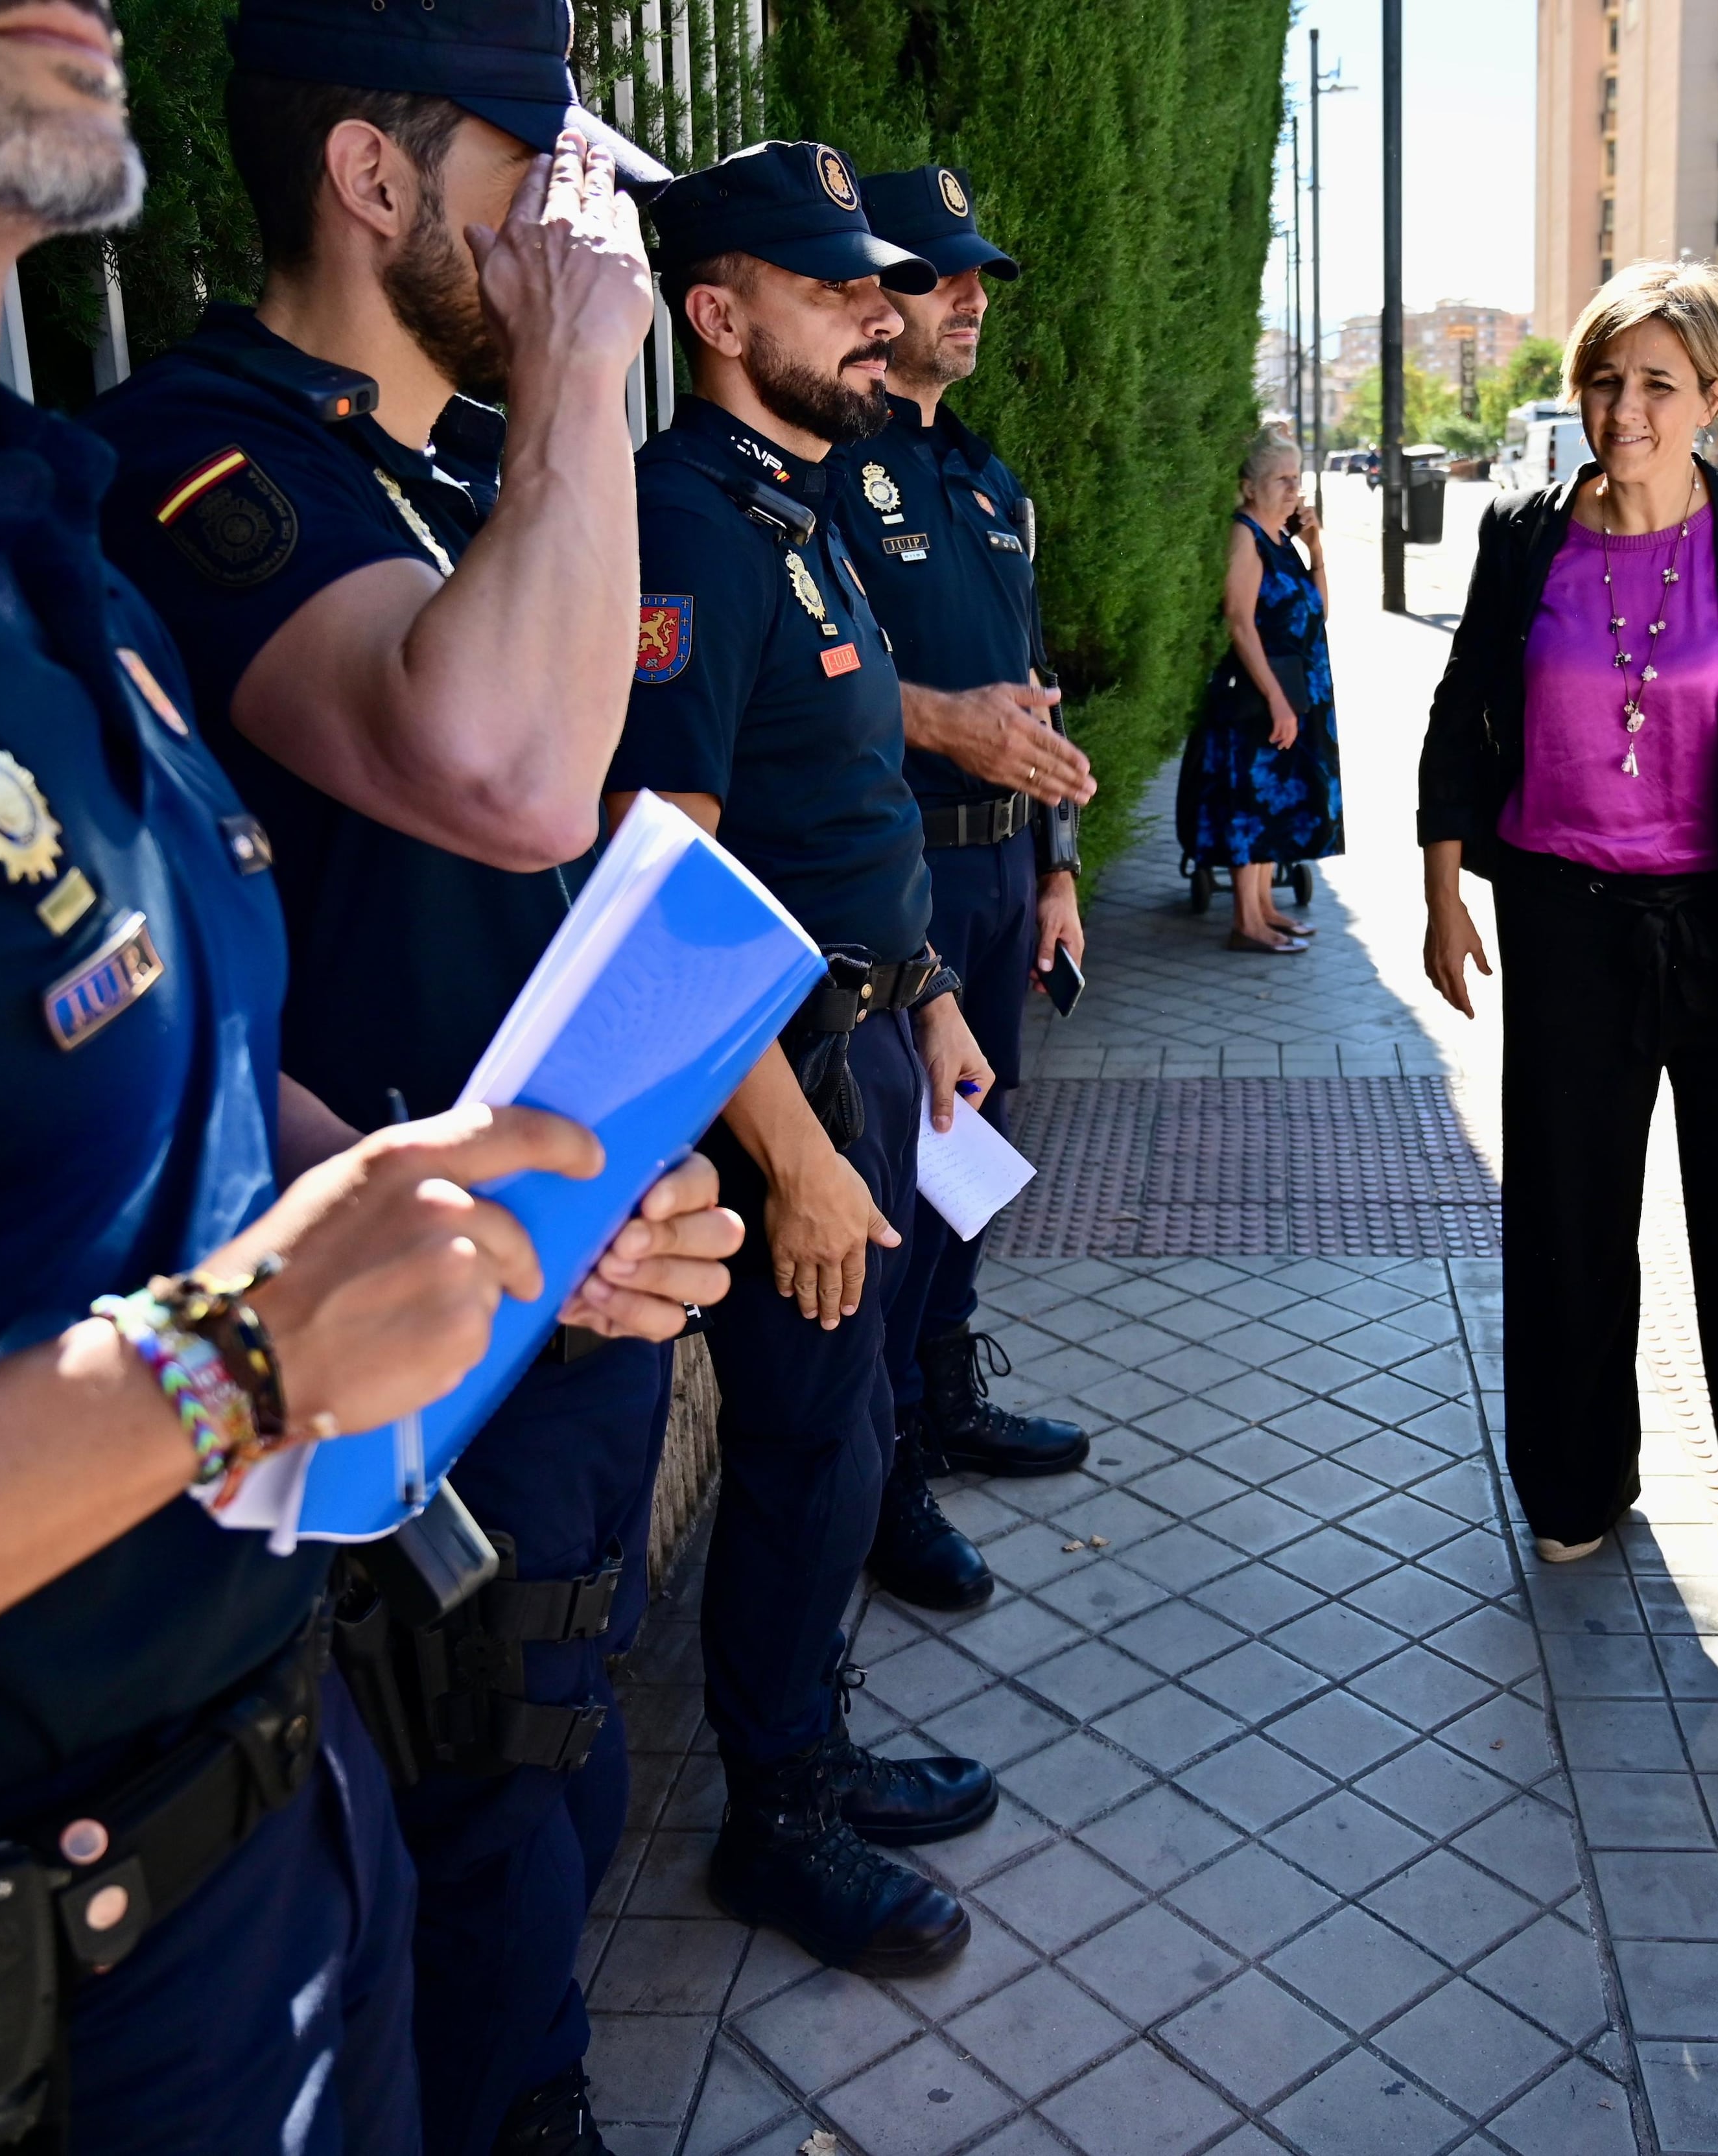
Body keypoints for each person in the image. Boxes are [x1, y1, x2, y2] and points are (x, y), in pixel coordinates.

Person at [0, 1, 728, 2147]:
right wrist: (237, 1358)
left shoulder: (26, 528)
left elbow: (120, 1106)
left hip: (276, 1846)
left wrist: (415, 1202)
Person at [76, 10, 697, 2150]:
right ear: (371, 176)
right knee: (465, 1842)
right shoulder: (201, 445)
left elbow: (583, 821)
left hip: (548, 1267)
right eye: (526, 168)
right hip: (379, 1343)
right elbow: (507, 769)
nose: (561, 228)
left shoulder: (441, 464)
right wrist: (592, 376)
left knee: (549, 1790)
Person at [608, 138, 1004, 1977]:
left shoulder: (797, 503)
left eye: (878, 285)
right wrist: (793, 1154)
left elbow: (843, 812)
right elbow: (660, 875)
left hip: (859, 1047)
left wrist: (927, 1000)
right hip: (776, 1087)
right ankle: (775, 1813)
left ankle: (812, 1753)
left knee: (837, 1445)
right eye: (835, 285)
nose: (878, 308)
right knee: (794, 1449)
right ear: (715, 312)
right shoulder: (687, 520)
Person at [1417, 259, 1718, 1574]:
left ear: (1713, 396)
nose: (1624, 408)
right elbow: (1457, 715)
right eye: (1603, 378)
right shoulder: (1521, 535)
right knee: (1569, 1218)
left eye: (1657, 382)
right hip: (1564, 923)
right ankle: (1574, 1482)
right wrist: (1444, 892)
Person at [833, 161, 1096, 1617]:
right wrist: (944, 723)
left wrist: (1059, 874)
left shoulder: (991, 480)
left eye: (980, 278)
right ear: (875, 297)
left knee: (968, 1172)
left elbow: (1036, 693)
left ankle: (942, 1400)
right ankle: (883, 1476)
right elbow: (820, 692)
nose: (971, 300)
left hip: (1004, 871)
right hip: (899, 884)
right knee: (902, 1184)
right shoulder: (829, 468)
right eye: (943, 276)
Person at [1184, 430, 1342, 952]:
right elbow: (1240, 621)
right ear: (1250, 486)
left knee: (1276, 805)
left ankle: (1267, 910)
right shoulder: (1245, 535)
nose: (1295, 489)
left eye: (1299, 479)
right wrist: (1276, 698)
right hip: (1260, 696)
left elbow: (1317, 613)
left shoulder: (1281, 540)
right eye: (1283, 479)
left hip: (1300, 690)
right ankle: (1246, 923)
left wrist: (1315, 548)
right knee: (1253, 804)